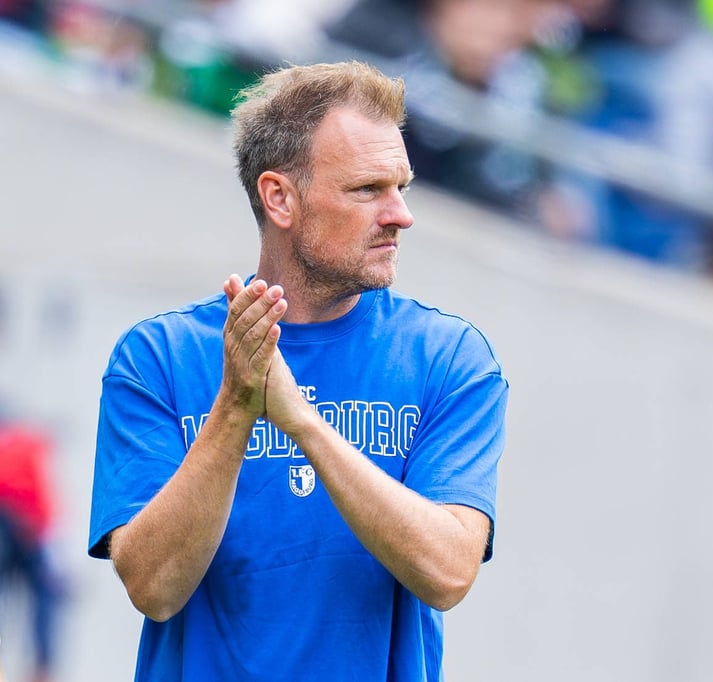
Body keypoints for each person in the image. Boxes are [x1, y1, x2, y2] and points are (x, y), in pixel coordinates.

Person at [87, 60, 509, 681]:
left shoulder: (450, 358)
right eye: (368, 190)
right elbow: (154, 587)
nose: (400, 215)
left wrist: (301, 423)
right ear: (279, 197)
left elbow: (448, 572)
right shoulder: (157, 357)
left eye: (402, 187)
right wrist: (235, 407)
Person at [0, 412, 63, 682]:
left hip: (18, 525)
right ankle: (43, 666)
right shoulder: (29, 445)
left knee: (42, 593)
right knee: (45, 593)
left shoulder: (21, 446)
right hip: (23, 525)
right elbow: (46, 501)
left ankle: (42, 665)